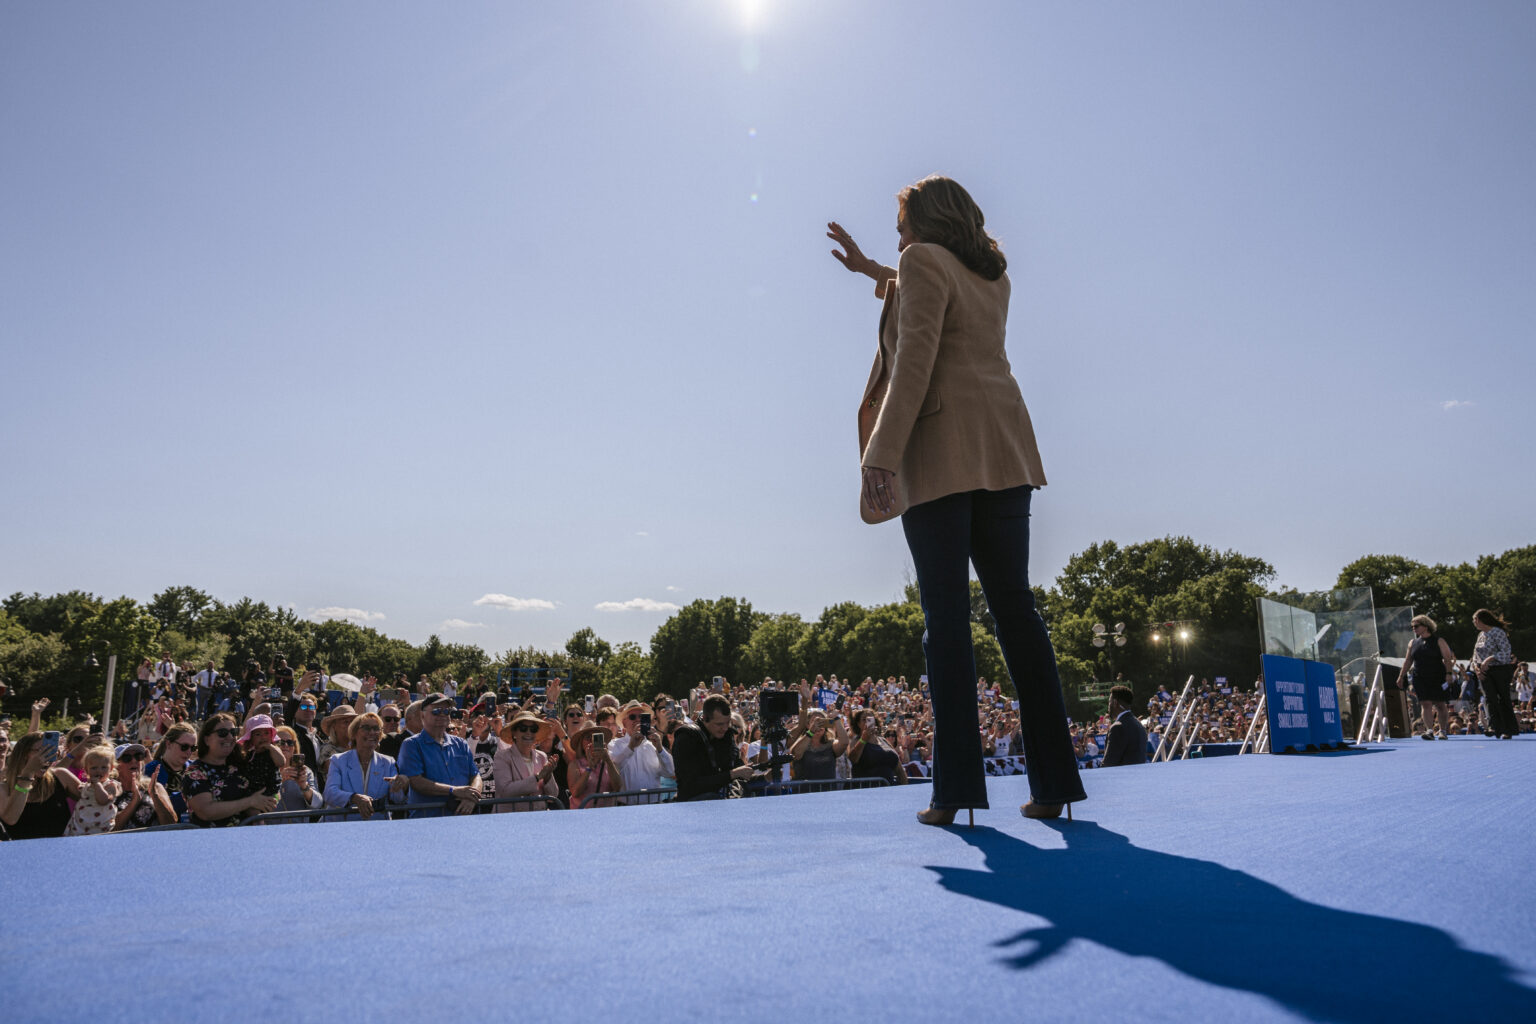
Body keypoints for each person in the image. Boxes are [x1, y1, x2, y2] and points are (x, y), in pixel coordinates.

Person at [829, 175, 1085, 827]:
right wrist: (870, 272)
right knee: (1018, 616)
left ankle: (955, 793)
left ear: (925, 222)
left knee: (946, 623)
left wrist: (879, 454)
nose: (898, 237)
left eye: (901, 224)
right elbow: (927, 290)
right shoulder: (990, 274)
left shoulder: (923, 262)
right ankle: (1054, 786)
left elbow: (916, 351)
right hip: (1005, 449)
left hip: (940, 453)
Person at [182, 714, 277, 827]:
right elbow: (206, 811)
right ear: (207, 739)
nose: (230, 737)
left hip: (247, 837)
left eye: (233, 732)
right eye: (222, 733)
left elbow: (262, 793)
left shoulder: (241, 765)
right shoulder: (195, 772)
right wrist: (250, 802)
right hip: (210, 840)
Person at [398, 694, 481, 817]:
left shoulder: (460, 743)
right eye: (436, 711)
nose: (442, 715)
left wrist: (471, 797)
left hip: (461, 818)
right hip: (427, 820)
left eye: (446, 711)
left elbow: (476, 776)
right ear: (422, 715)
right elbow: (416, 781)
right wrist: (454, 791)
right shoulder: (411, 745)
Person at [323, 712, 409, 822]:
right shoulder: (338, 760)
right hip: (343, 826)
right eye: (366, 728)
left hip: (376, 827)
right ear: (354, 734)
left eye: (376, 728)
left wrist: (402, 785)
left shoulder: (388, 762)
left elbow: (397, 799)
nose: (372, 732)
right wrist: (354, 798)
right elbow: (330, 793)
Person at [672, 694, 757, 801]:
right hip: (694, 808)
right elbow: (690, 785)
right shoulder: (686, 739)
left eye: (728, 723)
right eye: (719, 724)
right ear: (705, 718)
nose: (725, 728)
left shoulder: (727, 736)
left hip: (722, 806)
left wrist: (765, 777)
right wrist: (732, 774)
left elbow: (738, 773)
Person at [1, 732, 84, 839]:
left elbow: (94, 800)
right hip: (20, 852)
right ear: (23, 754)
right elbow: (10, 819)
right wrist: (28, 774)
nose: (47, 757)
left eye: (52, 751)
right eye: (42, 751)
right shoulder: (3, 788)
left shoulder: (61, 776)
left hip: (61, 851)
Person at [491, 712, 560, 811]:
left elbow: (553, 795)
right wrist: (538, 777)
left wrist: (548, 776)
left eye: (533, 729)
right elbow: (505, 791)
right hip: (509, 820)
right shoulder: (502, 756)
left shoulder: (542, 756)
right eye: (523, 728)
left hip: (537, 819)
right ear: (514, 732)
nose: (528, 733)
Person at [1405, 615, 1458, 739]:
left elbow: (1447, 659)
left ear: (1425, 625)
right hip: (1419, 676)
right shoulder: (1413, 642)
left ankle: (1442, 730)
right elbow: (1408, 660)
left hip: (1437, 675)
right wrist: (1401, 675)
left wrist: (1449, 674)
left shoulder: (1439, 640)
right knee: (1425, 704)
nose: (1414, 628)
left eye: (1416, 626)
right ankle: (1429, 730)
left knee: (1440, 704)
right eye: (1412, 626)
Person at [607, 701, 673, 799]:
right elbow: (614, 769)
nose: (637, 720)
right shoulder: (614, 744)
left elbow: (670, 772)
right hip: (626, 808)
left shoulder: (653, 744)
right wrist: (630, 747)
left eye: (642, 717)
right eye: (632, 717)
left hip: (653, 807)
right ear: (624, 723)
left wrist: (660, 748)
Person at [1471, 609, 1518, 740]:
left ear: (1481, 620)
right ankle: (1494, 727)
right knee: (1489, 698)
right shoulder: (1481, 635)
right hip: (1485, 671)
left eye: (1475, 620)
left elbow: (1506, 651)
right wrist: (1476, 667)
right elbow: (1475, 653)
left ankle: (1508, 729)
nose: (1474, 623)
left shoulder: (1497, 632)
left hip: (1500, 669)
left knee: (1503, 697)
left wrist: (1489, 659)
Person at [272, 725, 323, 819]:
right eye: (280, 742)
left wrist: (304, 786)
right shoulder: (266, 770)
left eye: (290, 742)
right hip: (272, 827)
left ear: (295, 747)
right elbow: (263, 804)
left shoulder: (305, 771)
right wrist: (279, 781)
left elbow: (318, 804)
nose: (285, 746)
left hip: (299, 829)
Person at [848, 709, 908, 788]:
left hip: (889, 790)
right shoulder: (856, 741)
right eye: (864, 719)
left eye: (870, 719)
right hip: (867, 791)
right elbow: (853, 759)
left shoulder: (883, 740)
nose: (867, 721)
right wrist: (863, 739)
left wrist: (905, 788)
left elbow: (899, 769)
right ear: (858, 724)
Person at [567, 725, 621, 808]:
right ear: (581, 744)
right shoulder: (575, 765)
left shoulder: (609, 763)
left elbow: (617, 787)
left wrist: (608, 760)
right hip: (582, 815)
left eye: (596, 738)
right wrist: (589, 768)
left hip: (607, 814)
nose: (592, 741)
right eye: (588, 737)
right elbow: (575, 792)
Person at [788, 709, 846, 782]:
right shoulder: (801, 742)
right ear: (808, 725)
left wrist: (836, 718)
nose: (818, 724)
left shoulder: (831, 744)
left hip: (828, 791)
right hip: (805, 791)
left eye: (822, 721)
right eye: (814, 721)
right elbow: (796, 754)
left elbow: (844, 743)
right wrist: (811, 732)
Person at [1101, 685, 1149, 767]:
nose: (1108, 706)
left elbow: (1108, 764)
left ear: (1115, 703)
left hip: (1121, 778)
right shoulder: (1140, 726)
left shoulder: (1117, 727)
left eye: (1109, 702)